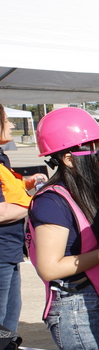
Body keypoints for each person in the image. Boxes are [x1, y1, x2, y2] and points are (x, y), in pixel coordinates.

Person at [27, 108, 99, 350]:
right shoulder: (51, 202)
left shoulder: (90, 194)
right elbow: (49, 267)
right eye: (98, 153)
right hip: (80, 309)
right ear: (68, 159)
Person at [0, 105, 41, 331]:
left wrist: (27, 182)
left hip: (10, 251)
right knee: (4, 320)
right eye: (7, 121)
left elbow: (7, 188)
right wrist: (36, 202)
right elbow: (2, 211)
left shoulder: (2, 159)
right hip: (2, 252)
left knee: (10, 316)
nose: (12, 125)